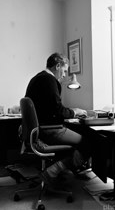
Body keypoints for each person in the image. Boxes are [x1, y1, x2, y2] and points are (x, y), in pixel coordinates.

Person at [25, 52, 93, 185]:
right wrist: (75, 112)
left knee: (75, 139)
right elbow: (58, 111)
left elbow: (51, 108)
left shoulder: (36, 78)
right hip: (49, 130)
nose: (64, 75)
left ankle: (65, 172)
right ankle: (53, 171)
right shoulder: (49, 80)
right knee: (88, 142)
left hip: (38, 130)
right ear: (57, 66)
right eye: (64, 70)